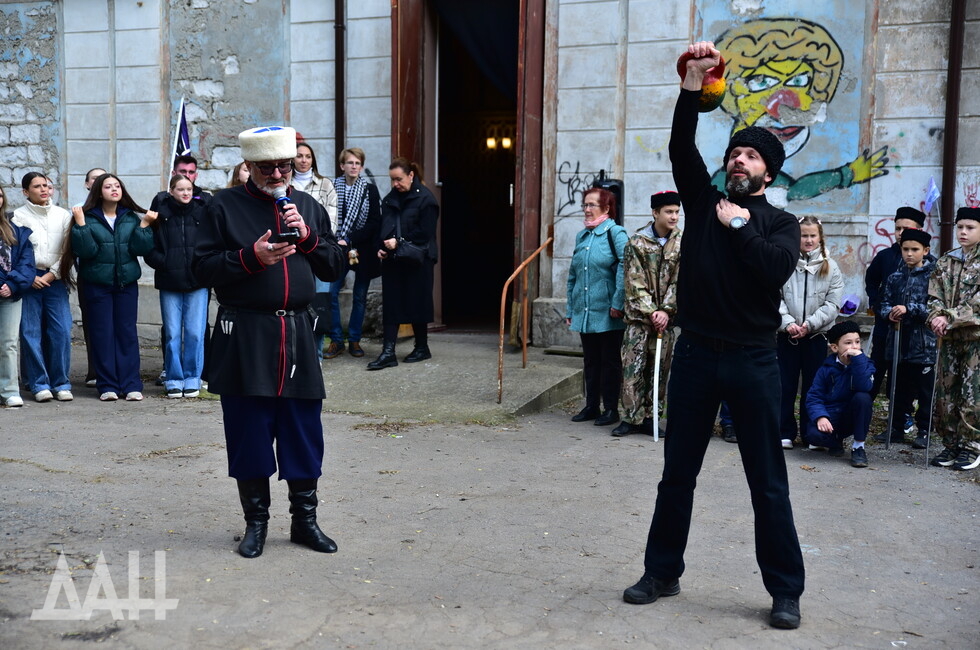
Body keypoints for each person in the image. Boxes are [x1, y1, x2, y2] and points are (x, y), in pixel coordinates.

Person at [623, 42, 805, 630]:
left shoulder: (780, 223)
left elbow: (774, 271)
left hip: (755, 361)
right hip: (698, 354)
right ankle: (662, 571)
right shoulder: (701, 204)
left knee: (766, 483)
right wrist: (692, 86)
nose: (738, 160)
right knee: (678, 472)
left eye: (750, 156)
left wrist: (742, 224)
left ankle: (784, 590)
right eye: (734, 153)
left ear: (767, 173)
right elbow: (681, 146)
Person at [193, 125, 347, 558]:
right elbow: (200, 269)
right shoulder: (223, 207)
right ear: (250, 167)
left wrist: (310, 238)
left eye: (284, 165)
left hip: (298, 332)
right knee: (250, 431)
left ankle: (305, 522)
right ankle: (255, 524)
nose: (278, 173)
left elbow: (334, 266)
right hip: (245, 332)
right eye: (268, 167)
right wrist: (251, 257)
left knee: (302, 431)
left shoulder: (309, 206)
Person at [61, 174, 155, 402]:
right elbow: (87, 252)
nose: (114, 189)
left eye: (117, 185)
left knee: (127, 334)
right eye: (108, 186)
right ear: (98, 192)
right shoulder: (87, 217)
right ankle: (108, 385)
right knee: (103, 335)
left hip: (126, 284)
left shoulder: (130, 218)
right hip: (97, 285)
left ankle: (131, 384)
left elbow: (140, 249)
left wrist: (144, 226)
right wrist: (81, 225)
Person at [613, 191, 681, 437]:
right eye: (668, 212)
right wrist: (653, 311)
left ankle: (651, 417)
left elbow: (679, 281)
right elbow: (634, 282)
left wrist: (666, 310)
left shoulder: (682, 242)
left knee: (659, 371)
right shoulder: (637, 243)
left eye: (676, 211)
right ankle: (630, 417)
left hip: (666, 322)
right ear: (655, 213)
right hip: (639, 321)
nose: (674, 217)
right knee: (633, 369)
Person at [776, 216, 844, 448]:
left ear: (820, 238)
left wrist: (809, 325)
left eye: (812, 235)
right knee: (785, 385)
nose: (808, 240)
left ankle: (810, 432)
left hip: (816, 337)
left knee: (814, 387)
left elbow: (833, 304)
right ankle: (784, 431)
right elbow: (775, 298)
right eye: (803, 235)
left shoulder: (831, 267)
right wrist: (788, 323)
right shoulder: (784, 262)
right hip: (788, 336)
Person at [367, 157, 440, 370]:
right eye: (392, 180)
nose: (395, 184)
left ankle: (422, 347)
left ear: (411, 176)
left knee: (418, 301)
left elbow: (425, 233)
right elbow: (384, 226)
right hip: (394, 259)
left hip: (419, 259)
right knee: (392, 303)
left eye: (399, 179)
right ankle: (388, 352)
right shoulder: (390, 199)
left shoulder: (427, 199)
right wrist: (380, 246)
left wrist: (398, 241)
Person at [564, 188, 627, 426]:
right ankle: (591, 406)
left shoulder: (616, 233)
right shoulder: (582, 236)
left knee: (610, 361)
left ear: (606, 208)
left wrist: (617, 302)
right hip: (586, 310)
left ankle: (611, 409)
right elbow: (573, 275)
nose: (587, 210)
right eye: (585, 205)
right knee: (590, 361)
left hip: (610, 311)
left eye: (592, 205)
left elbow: (626, 267)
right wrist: (571, 308)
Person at [12, 172, 75, 402]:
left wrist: (52, 274)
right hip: (28, 281)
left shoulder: (63, 215)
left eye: (47, 186)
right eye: (37, 186)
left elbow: (69, 249)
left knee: (60, 331)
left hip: (56, 279)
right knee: (30, 333)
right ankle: (39, 383)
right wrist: (29, 277)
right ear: (25, 192)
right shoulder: (17, 217)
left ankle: (61, 382)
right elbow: (16, 253)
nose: (44, 190)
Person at [144, 175, 209, 398]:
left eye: (189, 189)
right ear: (171, 191)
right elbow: (148, 245)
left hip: (197, 281)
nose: (185, 193)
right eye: (180, 189)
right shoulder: (161, 212)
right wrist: (163, 263)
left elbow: (211, 241)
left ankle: (192, 377)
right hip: (169, 281)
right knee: (172, 333)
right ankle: (173, 378)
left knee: (194, 332)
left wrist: (203, 266)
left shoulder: (202, 209)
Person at [926, 207, 980, 471]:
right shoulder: (946, 260)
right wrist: (936, 316)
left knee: (973, 394)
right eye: (960, 227)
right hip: (948, 338)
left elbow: (977, 305)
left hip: (974, 340)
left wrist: (948, 316)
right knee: (946, 392)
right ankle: (951, 443)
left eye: (970, 228)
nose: (963, 232)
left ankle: (972, 446)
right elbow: (933, 295)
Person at [876, 228, 937, 448]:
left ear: (925, 250)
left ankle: (924, 431)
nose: (909, 254)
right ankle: (896, 427)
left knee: (925, 392)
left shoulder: (934, 276)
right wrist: (889, 312)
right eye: (905, 249)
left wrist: (909, 308)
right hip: (898, 342)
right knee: (897, 388)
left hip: (923, 344)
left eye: (914, 249)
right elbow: (883, 303)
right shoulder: (895, 277)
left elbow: (934, 308)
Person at [322, 147, 381, 359]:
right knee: (331, 293)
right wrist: (336, 241)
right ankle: (337, 340)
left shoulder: (369, 190)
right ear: (342, 166)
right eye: (350, 163)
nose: (354, 166)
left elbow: (375, 221)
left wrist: (350, 238)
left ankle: (355, 340)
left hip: (362, 249)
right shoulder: (332, 187)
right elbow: (326, 215)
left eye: (357, 163)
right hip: (337, 249)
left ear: (361, 166)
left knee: (360, 296)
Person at [865, 207, 925, 414]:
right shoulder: (885, 257)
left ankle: (902, 415)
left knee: (904, 377)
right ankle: (864, 409)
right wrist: (876, 302)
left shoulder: (926, 263)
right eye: (897, 228)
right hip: (885, 326)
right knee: (877, 367)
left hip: (912, 331)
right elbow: (871, 280)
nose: (900, 233)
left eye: (905, 228)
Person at [804, 320, 875, 468]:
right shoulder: (826, 368)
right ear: (835, 347)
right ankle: (835, 441)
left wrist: (858, 360)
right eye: (848, 343)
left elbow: (864, 386)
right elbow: (814, 396)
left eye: (857, 342)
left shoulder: (865, 364)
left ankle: (858, 447)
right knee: (812, 435)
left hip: (852, 415)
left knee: (863, 397)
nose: (854, 347)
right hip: (832, 417)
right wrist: (821, 417)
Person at [0, 187, 36, 408]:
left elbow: (26, 261)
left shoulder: (15, 229)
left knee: (9, 343)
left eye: (0, 194)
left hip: (10, 294)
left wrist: (12, 284)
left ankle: (9, 390)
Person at [75, 168, 107, 388]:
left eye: (103, 178)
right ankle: (94, 370)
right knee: (92, 324)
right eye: (94, 178)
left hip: (114, 277)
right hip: (89, 276)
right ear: (87, 184)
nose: (98, 182)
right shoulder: (80, 212)